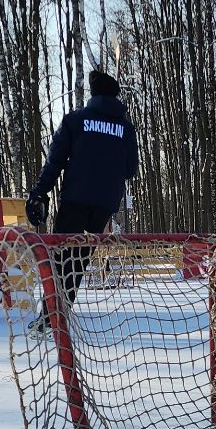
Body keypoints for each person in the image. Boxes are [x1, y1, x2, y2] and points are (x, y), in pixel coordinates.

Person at [27, 69, 138, 316]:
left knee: (61, 259)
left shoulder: (75, 121)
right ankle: (60, 312)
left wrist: (39, 193)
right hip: (104, 206)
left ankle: (51, 316)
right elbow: (130, 169)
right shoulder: (126, 129)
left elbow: (54, 161)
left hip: (74, 201)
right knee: (78, 261)